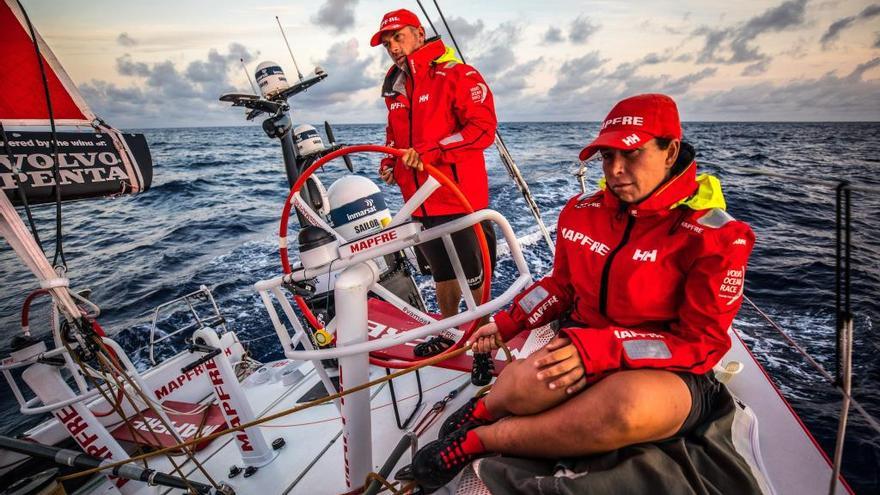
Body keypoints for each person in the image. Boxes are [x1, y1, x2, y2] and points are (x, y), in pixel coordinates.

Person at [404, 93, 756, 492]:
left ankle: (479, 440)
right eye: (606, 157)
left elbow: (701, 344)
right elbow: (561, 286)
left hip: (665, 368)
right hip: (583, 342)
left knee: (626, 409)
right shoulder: (582, 211)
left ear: (670, 151)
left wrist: (603, 352)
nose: (616, 171)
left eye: (631, 154)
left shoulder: (716, 239)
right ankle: (483, 411)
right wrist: (505, 324)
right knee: (521, 385)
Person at [371, 9, 499, 357]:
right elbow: (394, 136)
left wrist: (432, 151)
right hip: (419, 202)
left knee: (474, 274)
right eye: (387, 43)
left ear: (419, 34)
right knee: (441, 274)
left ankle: (484, 337)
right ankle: (452, 333)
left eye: (398, 38)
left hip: (458, 198)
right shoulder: (396, 87)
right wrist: (389, 161)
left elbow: (482, 129)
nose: (393, 47)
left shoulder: (457, 74)